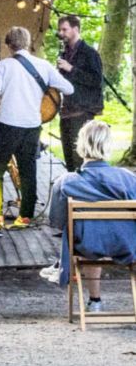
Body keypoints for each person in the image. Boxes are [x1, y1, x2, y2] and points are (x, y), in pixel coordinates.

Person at [0, 26, 73, 229]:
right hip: (32, 127)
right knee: (28, 171)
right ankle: (25, 218)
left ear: (9, 45)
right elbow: (69, 88)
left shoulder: (4, 65)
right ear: (28, 43)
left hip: (8, 127)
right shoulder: (44, 65)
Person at [45, 120, 136, 313]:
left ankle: (95, 301)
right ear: (108, 146)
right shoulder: (128, 179)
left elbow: (57, 221)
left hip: (88, 245)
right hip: (127, 245)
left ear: (80, 146)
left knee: (86, 230)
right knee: (106, 228)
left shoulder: (66, 182)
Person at [55, 15, 105, 172]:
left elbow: (96, 80)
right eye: (60, 30)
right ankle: (71, 189)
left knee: (80, 155)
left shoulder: (89, 53)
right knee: (68, 156)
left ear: (76, 29)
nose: (61, 33)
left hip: (82, 110)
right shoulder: (64, 52)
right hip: (66, 110)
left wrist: (71, 69)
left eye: (65, 29)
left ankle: (81, 192)